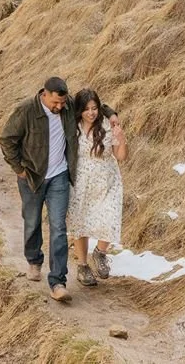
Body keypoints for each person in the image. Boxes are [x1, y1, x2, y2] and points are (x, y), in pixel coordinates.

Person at [0, 76, 79, 301]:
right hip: (32, 177)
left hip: (59, 177)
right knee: (32, 221)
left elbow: (94, 104)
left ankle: (58, 282)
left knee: (58, 227)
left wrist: (111, 114)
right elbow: (6, 139)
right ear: (45, 94)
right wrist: (18, 168)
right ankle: (34, 261)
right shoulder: (26, 110)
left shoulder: (68, 105)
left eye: (62, 103)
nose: (60, 107)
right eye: (55, 103)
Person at [67, 88, 126, 287]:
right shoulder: (72, 126)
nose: (91, 113)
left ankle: (100, 253)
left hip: (107, 179)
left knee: (109, 217)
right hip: (81, 180)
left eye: (94, 108)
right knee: (80, 223)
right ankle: (83, 266)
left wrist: (120, 136)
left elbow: (120, 156)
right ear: (79, 111)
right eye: (86, 109)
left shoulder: (108, 125)